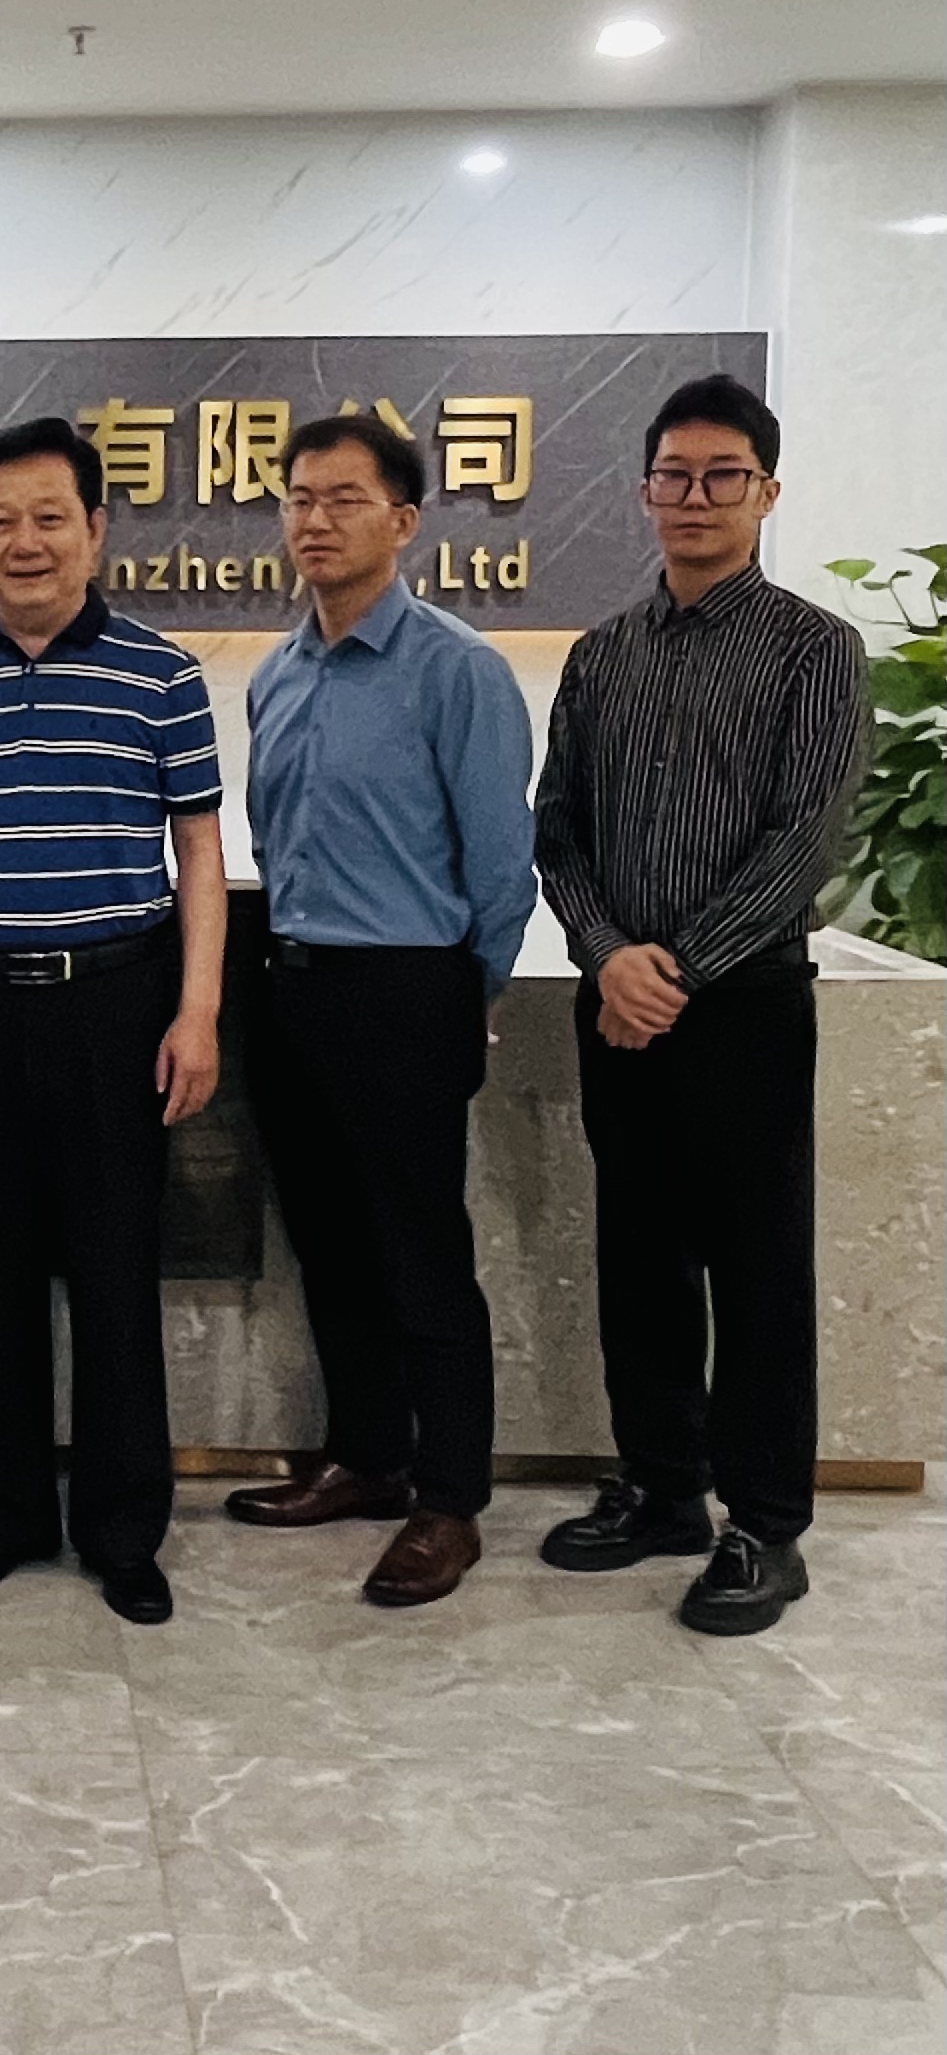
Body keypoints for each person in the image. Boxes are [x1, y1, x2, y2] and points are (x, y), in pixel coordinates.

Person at [533, 373, 869, 1636]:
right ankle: (661, 1487)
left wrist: (669, 970)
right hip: (618, 1004)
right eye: (671, 474)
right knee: (639, 1257)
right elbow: (555, 829)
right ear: (642, 491)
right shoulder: (600, 654)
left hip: (741, 1008)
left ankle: (764, 1527)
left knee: (757, 1268)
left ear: (764, 492)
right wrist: (605, 953)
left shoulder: (812, 649)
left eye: (721, 474)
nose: (693, 496)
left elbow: (803, 839)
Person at [0, 417, 226, 1627]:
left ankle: (122, 1528)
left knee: (112, 1270)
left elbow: (198, 850)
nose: (23, 542)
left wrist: (197, 1010)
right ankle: (5, 1515)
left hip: (114, 1002)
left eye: (48, 518)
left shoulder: (161, 673)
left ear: (94, 529)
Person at [230, 414, 536, 1609]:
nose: (313, 520)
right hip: (292, 985)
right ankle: (365, 1457)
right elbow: (276, 839)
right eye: (298, 499)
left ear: (401, 522)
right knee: (329, 1245)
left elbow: (499, 864)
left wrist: (465, 993)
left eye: (342, 499)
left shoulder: (455, 669)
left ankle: (447, 1501)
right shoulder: (276, 672)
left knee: (420, 1255)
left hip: (406, 991)